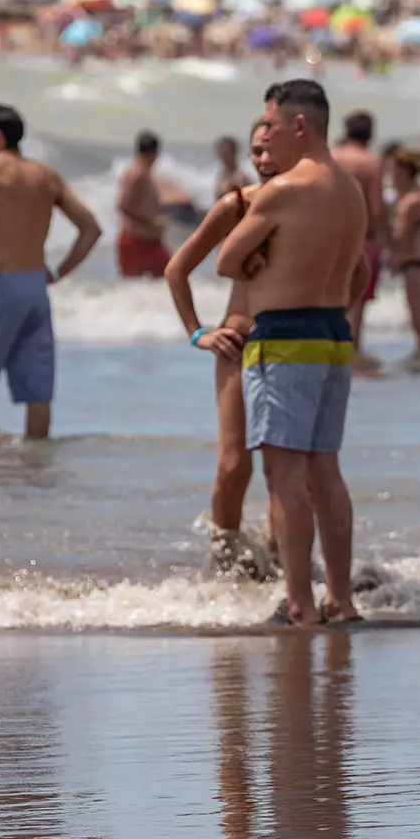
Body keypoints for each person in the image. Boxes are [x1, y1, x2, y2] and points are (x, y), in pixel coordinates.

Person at [216, 79, 370, 627]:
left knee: (283, 477)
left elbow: (228, 260)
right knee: (326, 472)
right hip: (333, 336)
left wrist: (269, 264)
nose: (269, 137)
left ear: (298, 126)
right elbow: (362, 276)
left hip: (284, 337)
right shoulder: (351, 190)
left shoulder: (286, 190)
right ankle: (342, 599)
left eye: (272, 125)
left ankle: (301, 602)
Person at [164, 118, 278, 578]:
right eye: (257, 151)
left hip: (295, 342)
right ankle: (225, 568)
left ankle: (285, 561)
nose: (263, 159)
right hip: (239, 342)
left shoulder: (311, 207)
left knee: (286, 468)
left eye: (270, 149)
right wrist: (198, 333)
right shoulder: (237, 204)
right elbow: (177, 270)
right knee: (234, 464)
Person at [0, 104, 102, 444]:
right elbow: (91, 229)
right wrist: (58, 272)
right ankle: (36, 464)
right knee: (36, 390)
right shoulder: (45, 175)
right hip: (35, 288)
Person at [333, 110, 385, 373]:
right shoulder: (371, 162)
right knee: (358, 299)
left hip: (328, 235)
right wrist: (382, 238)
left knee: (332, 295)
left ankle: (331, 348)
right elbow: (375, 208)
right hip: (361, 236)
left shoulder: (332, 157)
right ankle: (350, 351)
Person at [387, 147, 420, 371]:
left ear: (403, 172)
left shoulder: (409, 202)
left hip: (416, 266)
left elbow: (401, 238)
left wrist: (381, 230)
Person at [117, 130, 171, 278]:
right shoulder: (136, 174)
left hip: (150, 241)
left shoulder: (145, 173)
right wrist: (151, 222)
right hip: (135, 241)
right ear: (154, 153)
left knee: (170, 275)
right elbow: (123, 205)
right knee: (133, 287)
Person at [213, 135, 252, 200]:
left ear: (234, 152)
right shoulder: (222, 175)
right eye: (221, 153)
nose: (223, 157)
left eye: (226, 153)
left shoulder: (241, 177)